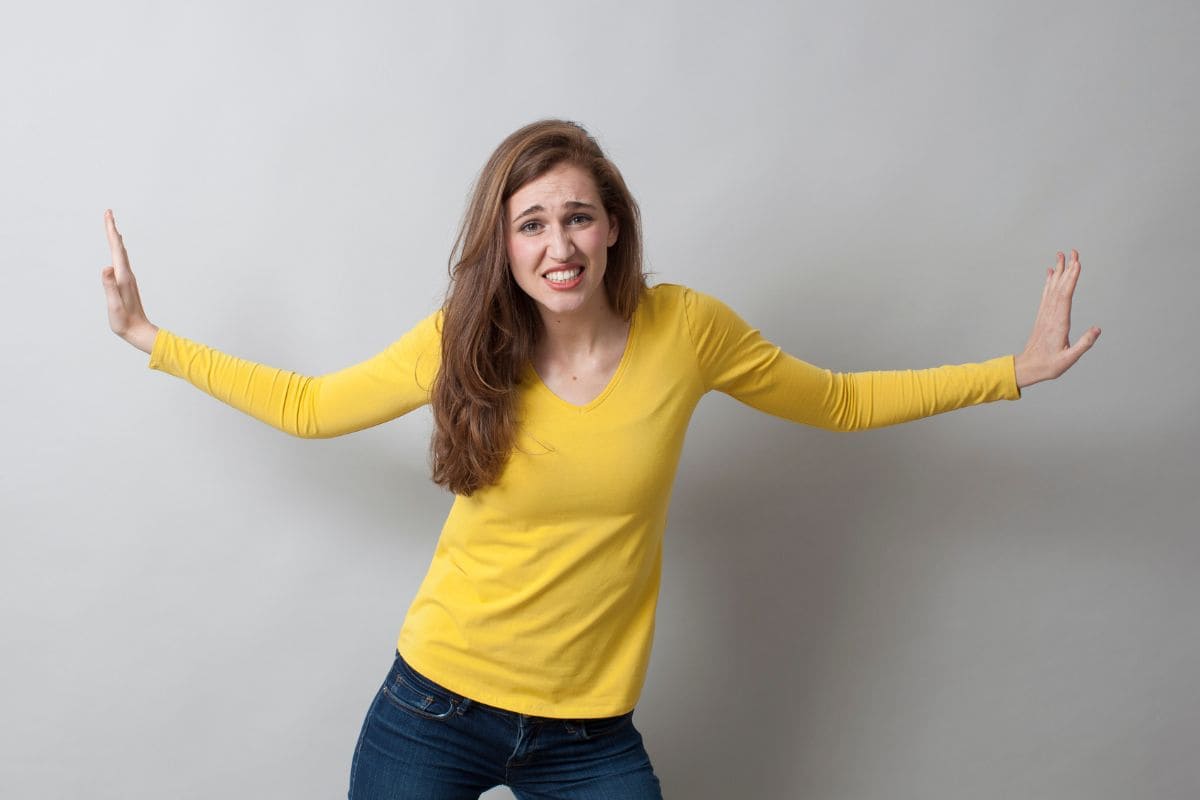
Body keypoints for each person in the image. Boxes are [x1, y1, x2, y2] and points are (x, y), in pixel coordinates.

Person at [100, 119, 1100, 800]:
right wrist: (152, 335)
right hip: (434, 703)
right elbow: (314, 407)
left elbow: (836, 399)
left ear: (613, 224)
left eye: (577, 215)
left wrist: (1011, 371)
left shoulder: (686, 329)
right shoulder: (465, 336)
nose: (558, 242)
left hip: (587, 732)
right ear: (506, 243)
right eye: (531, 223)